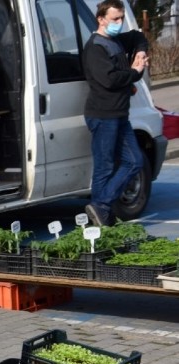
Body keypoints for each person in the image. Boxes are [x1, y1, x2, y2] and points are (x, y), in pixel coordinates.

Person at [82, 0, 149, 227]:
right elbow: (110, 79)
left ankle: (101, 207)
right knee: (105, 166)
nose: (119, 23)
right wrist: (134, 71)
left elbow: (139, 37)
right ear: (101, 19)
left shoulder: (117, 41)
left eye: (121, 18)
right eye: (115, 19)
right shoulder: (95, 48)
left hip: (120, 115)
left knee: (135, 160)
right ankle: (101, 214)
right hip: (102, 116)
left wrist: (140, 52)